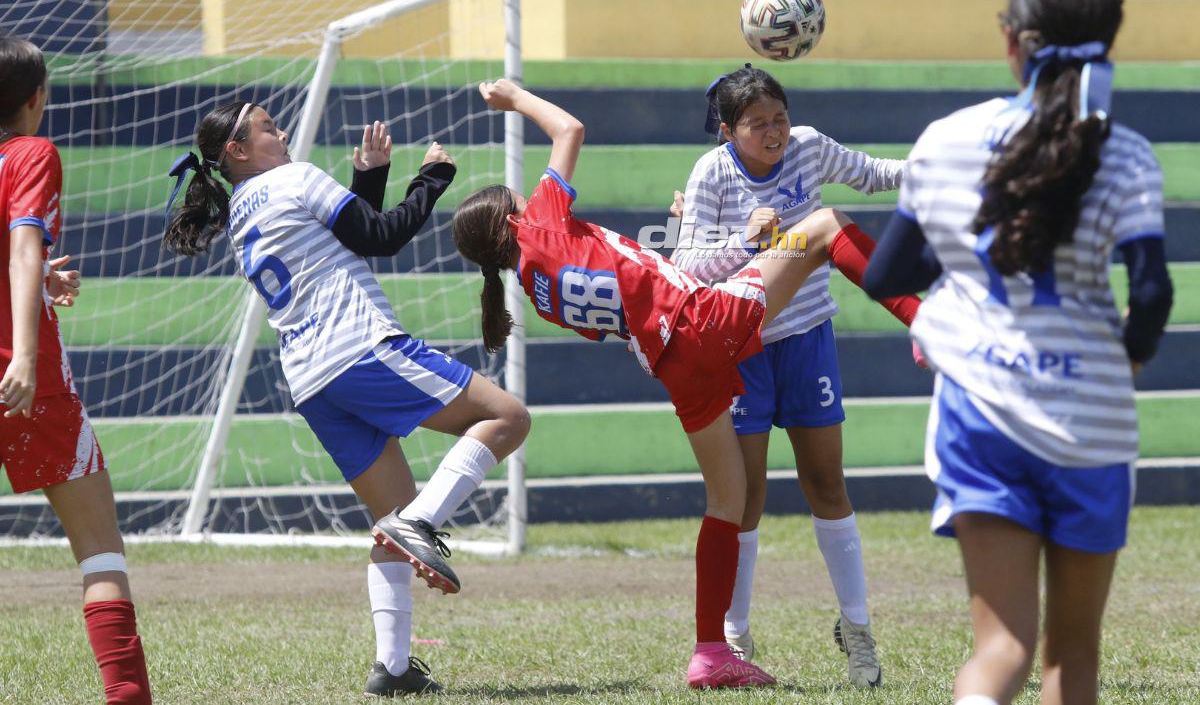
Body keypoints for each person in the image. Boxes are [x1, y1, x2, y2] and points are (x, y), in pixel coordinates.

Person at [450, 78, 914, 690]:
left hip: (674, 364)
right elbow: (570, 130)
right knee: (825, 226)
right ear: (515, 217)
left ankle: (711, 652)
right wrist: (515, 98)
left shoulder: (538, 294)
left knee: (728, 501)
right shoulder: (543, 222)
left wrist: (682, 251)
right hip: (702, 325)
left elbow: (636, 286)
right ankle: (921, 318)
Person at [862, 0, 1174, 705]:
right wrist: (1125, 359)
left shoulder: (947, 139)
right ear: (1108, 44)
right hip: (1090, 420)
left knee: (1001, 648)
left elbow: (886, 278)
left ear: (1013, 41)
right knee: (1073, 658)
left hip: (980, 410)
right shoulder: (1125, 154)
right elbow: (1155, 292)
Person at [163, 103, 529, 697]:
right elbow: (382, 238)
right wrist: (431, 181)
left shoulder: (239, 213)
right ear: (237, 150)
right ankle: (422, 525)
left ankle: (394, 668)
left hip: (311, 379)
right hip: (358, 347)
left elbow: (346, 238)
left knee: (389, 521)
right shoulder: (295, 176)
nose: (280, 132)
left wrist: (370, 178)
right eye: (266, 127)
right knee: (507, 416)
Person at [669, 64, 923, 686]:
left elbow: (876, 174)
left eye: (779, 117)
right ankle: (733, 637)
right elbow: (686, 262)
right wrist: (745, 241)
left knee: (826, 484)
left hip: (809, 340)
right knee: (746, 497)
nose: (775, 131)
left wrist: (935, 167)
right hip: (743, 346)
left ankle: (858, 630)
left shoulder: (808, 146)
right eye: (758, 124)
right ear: (728, 132)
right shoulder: (712, 173)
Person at [0, 36, 153, 704]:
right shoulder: (33, 152)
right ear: (37, 98)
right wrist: (28, 354)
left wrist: (34, 279)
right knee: (99, 547)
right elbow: (24, 247)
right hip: (27, 380)